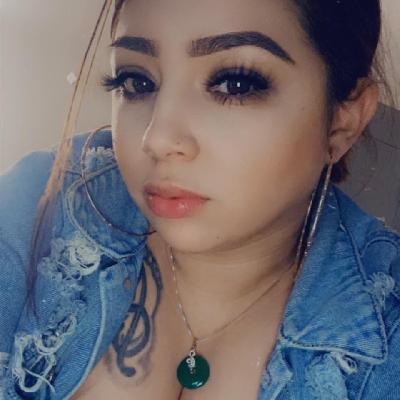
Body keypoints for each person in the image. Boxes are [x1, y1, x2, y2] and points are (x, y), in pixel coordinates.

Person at [1, 0, 399, 399]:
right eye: (136, 81)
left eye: (235, 84)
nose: (157, 138)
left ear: (343, 121)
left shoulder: (388, 334)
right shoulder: (41, 201)